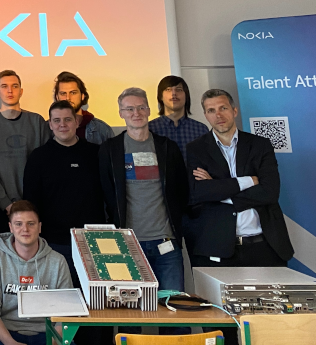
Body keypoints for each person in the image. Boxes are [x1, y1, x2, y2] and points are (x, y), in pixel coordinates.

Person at [186, 89, 293, 269]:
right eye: (211, 110)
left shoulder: (260, 145)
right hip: (219, 248)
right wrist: (249, 181)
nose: (218, 115)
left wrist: (218, 190)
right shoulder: (196, 149)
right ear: (205, 115)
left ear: (234, 111)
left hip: (265, 246)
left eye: (223, 108)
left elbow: (270, 192)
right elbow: (200, 193)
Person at [99, 87, 188, 292]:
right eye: (129, 109)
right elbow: (106, 193)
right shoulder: (110, 150)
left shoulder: (167, 147)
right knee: (132, 309)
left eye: (141, 107)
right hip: (127, 244)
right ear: (121, 113)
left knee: (174, 304)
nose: (136, 113)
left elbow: (181, 190)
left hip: (166, 243)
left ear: (149, 110)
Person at [22, 100, 105, 284]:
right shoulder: (38, 157)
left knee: (94, 295)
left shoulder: (96, 154)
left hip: (92, 240)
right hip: (53, 242)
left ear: (77, 122)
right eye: (57, 120)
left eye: (67, 119)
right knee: (59, 295)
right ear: (50, 125)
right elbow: (31, 202)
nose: (62, 125)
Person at [0, 71, 50, 248]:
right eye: (4, 86)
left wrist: (29, 206)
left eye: (14, 86)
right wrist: (6, 204)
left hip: (34, 209)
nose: (10, 91)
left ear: (21, 91)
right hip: (0, 208)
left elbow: (46, 167)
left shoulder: (37, 121)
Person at [0, 201, 72, 345]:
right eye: (18, 224)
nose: (25, 229)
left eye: (31, 223)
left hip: (48, 332)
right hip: (7, 333)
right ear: (10, 227)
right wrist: (10, 342)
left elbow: (67, 310)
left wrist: (53, 342)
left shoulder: (58, 261)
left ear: (39, 227)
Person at [148, 75, 209, 160]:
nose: (173, 93)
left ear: (186, 96)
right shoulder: (150, 129)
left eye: (178, 89)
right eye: (168, 89)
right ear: (161, 96)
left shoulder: (200, 129)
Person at [53, 72, 113, 145]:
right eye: (63, 93)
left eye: (73, 93)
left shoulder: (102, 129)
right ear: (57, 97)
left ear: (82, 96)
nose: (68, 98)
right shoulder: (46, 129)